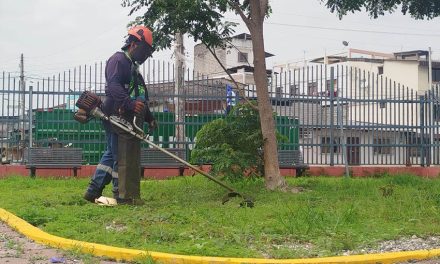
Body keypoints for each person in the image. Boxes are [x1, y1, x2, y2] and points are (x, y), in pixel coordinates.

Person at [83, 25, 157, 205]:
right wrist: (130, 104)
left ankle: (93, 191)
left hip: (124, 117)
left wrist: (149, 117)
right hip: (113, 115)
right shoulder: (118, 60)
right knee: (119, 156)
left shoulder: (134, 68)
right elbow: (114, 86)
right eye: (145, 50)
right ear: (133, 44)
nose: (146, 55)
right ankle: (121, 195)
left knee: (111, 153)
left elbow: (139, 94)